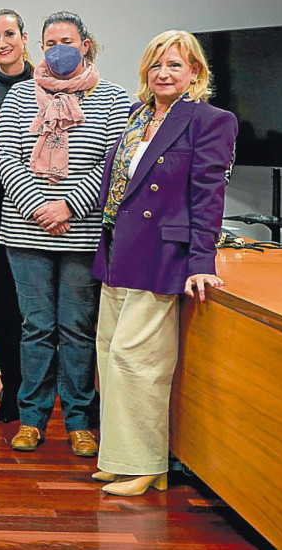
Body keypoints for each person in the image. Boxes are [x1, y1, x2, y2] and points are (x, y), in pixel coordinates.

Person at [91, 30, 236, 496]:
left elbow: (208, 195)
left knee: (138, 360)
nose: (164, 73)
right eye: (156, 65)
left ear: (195, 71)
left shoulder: (211, 121)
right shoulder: (137, 117)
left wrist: (201, 260)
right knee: (110, 354)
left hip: (162, 254)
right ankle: (117, 457)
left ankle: (145, 464)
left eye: (175, 64)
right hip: (118, 249)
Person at [0, 11, 128, 457]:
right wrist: (38, 207)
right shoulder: (18, 96)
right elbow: (6, 157)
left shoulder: (112, 99)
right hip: (25, 234)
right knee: (34, 328)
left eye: (66, 41)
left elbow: (112, 168)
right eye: (49, 43)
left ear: (86, 44)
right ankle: (31, 419)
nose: (57, 50)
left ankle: (79, 420)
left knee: (76, 328)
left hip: (83, 234)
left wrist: (68, 205)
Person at [0, 9, 34, 423]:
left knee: (32, 308)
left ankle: (38, 388)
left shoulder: (47, 86)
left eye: (9, 34)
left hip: (37, 214)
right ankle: (11, 385)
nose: (3, 43)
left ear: (24, 37)